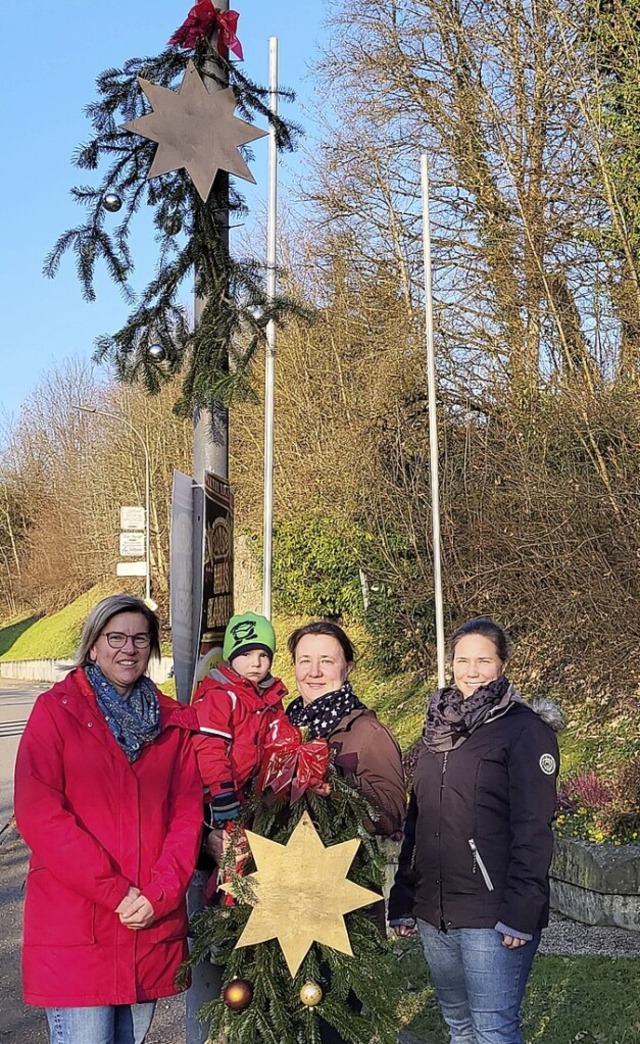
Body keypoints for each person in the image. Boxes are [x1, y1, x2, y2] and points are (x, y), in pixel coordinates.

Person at [14, 594, 203, 1044]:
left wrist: (157, 895)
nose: (128, 648)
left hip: (146, 928)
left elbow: (187, 818)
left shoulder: (174, 723)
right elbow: (39, 815)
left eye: (140, 639)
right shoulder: (56, 712)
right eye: (115, 637)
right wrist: (117, 894)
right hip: (79, 927)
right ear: (93, 645)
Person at [389, 617, 564, 1044]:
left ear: (502, 665)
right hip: (435, 914)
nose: (472, 670)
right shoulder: (437, 727)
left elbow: (534, 827)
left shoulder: (525, 730)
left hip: (492, 916)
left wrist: (521, 914)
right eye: (463, 660)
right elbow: (419, 818)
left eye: (483, 660)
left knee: (493, 1032)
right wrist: (404, 897)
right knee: (460, 1029)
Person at [287, 620, 405, 842]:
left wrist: (339, 782)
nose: (314, 672)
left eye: (327, 661)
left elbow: (393, 814)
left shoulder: (369, 734)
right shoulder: (281, 731)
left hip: (343, 869)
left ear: (348, 667)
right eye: (305, 661)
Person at [192, 612, 287, 859]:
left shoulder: (270, 698)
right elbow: (208, 747)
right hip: (216, 793)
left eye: (263, 655)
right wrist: (221, 791)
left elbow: (280, 740)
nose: (255, 663)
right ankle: (222, 894)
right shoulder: (220, 696)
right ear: (231, 657)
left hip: (248, 792)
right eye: (246, 654)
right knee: (228, 852)